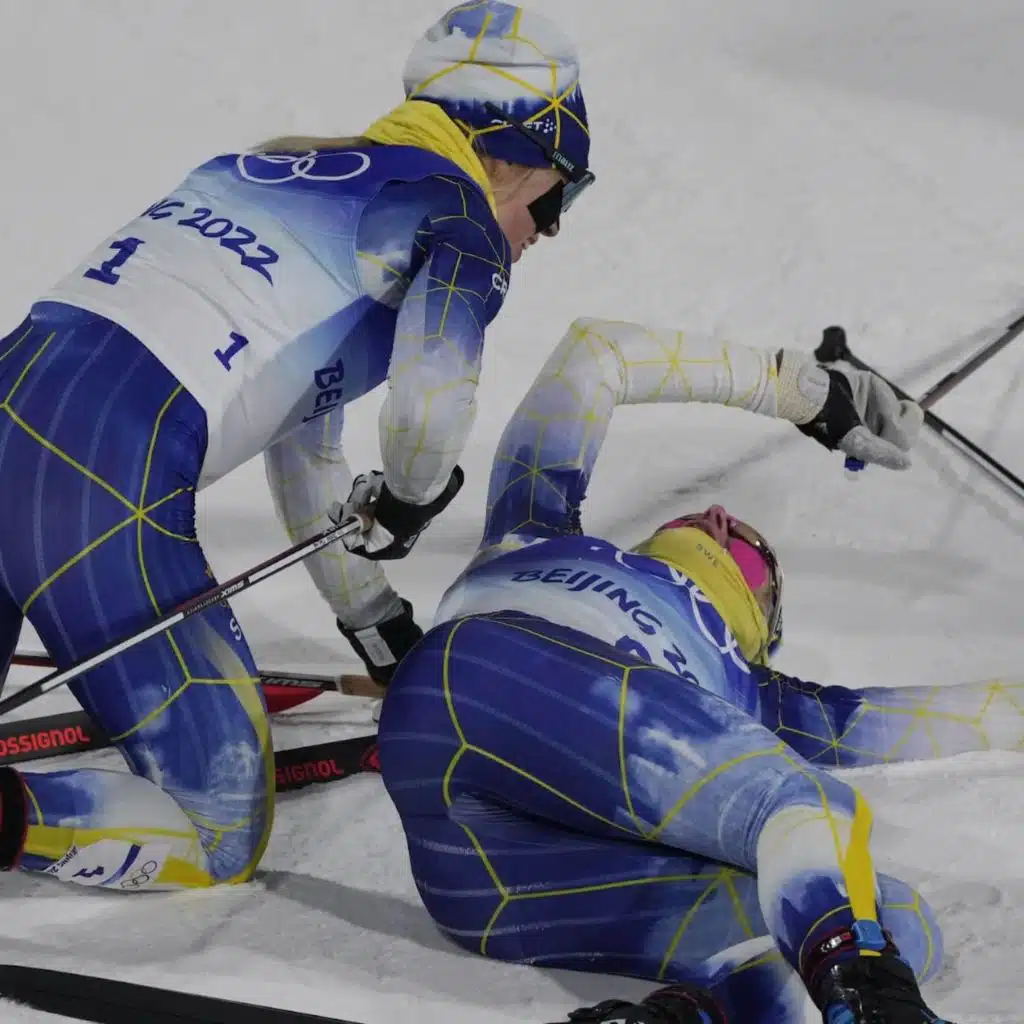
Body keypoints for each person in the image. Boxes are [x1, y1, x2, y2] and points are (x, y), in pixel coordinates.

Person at [0, 1, 596, 893]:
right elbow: (431, 404)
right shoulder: (461, 221)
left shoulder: (269, 161)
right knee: (217, 828)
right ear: (518, 157)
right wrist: (411, 495)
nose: (549, 231)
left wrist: (378, 625)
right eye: (560, 199)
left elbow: (304, 446)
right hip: (92, 485)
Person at [372, 317, 984, 1023]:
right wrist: (800, 389)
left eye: (747, 549)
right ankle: (869, 998)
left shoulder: (753, 688)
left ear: (759, 629)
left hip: (475, 872)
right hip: (491, 670)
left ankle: (684, 1015)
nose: (720, 514)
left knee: (891, 912)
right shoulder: (534, 526)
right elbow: (592, 354)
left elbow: (954, 715)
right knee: (804, 805)